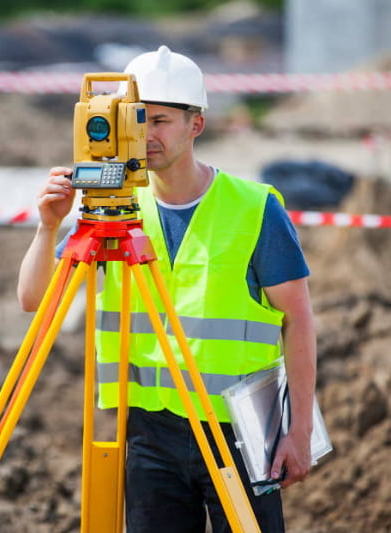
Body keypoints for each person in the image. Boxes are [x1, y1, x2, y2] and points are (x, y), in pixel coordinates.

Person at [16, 45, 317, 533]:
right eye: (135, 119)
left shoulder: (254, 209)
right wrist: (47, 228)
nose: (144, 135)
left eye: (159, 120)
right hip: (148, 433)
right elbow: (34, 302)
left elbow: (298, 319)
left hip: (238, 432)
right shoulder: (110, 208)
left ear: (195, 125)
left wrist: (298, 431)